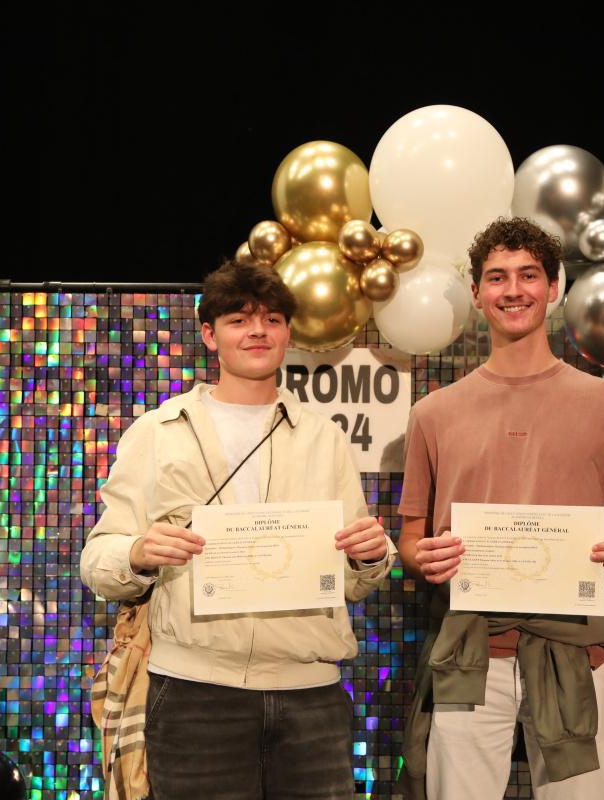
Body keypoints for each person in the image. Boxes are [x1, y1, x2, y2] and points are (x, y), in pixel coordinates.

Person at [80, 259, 396, 800]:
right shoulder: (158, 432)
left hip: (311, 694)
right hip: (195, 692)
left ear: (288, 333)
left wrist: (371, 555)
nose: (258, 331)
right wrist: (136, 552)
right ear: (209, 334)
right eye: (239, 320)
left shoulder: (324, 437)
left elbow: (352, 578)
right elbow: (98, 560)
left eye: (272, 319)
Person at [397, 218, 604, 800]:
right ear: (476, 293)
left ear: (553, 286)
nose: (512, 290)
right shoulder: (433, 414)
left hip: (577, 657)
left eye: (528, 275)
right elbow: (411, 536)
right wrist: (424, 557)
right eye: (496, 278)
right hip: (469, 655)